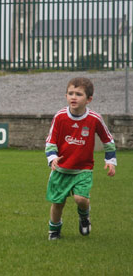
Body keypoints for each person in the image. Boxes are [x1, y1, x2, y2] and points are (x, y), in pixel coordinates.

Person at [45, 77, 116, 240]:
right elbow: (51, 140)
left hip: (83, 168)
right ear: (66, 96)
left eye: (78, 94)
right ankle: (54, 231)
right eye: (70, 93)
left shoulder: (94, 118)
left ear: (89, 99)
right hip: (61, 168)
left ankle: (84, 217)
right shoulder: (60, 117)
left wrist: (110, 161)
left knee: (80, 198)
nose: (73, 97)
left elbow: (108, 140)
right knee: (58, 203)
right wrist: (52, 157)